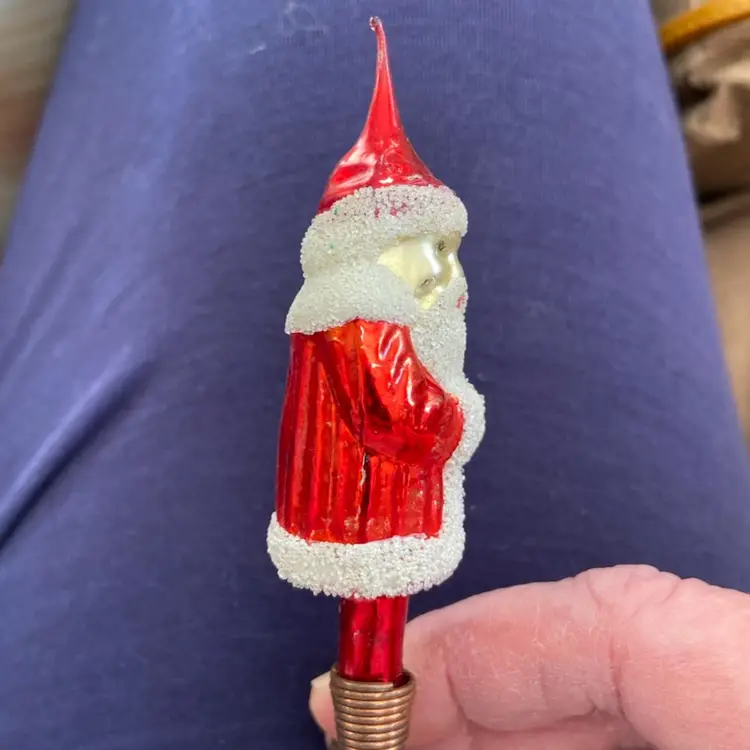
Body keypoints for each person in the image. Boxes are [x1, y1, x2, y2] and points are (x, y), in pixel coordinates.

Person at [1, 2, 749, 749]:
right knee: (376, 619)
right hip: (370, 515)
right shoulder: (363, 315)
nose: (444, 270)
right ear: (383, 240)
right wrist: (460, 410)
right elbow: (404, 417)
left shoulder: (352, 310)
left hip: (352, 512)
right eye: (432, 249)